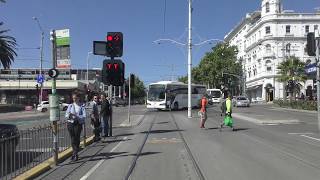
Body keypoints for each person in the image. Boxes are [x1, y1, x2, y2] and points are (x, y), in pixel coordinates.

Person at [65, 93, 86, 161]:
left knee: (77, 138)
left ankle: (75, 153)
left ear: (78, 98)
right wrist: (70, 115)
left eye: (76, 98)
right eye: (73, 98)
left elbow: (84, 116)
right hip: (70, 123)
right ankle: (75, 153)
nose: (74, 99)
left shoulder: (82, 106)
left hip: (78, 124)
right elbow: (66, 114)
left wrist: (77, 117)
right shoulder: (70, 106)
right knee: (72, 138)